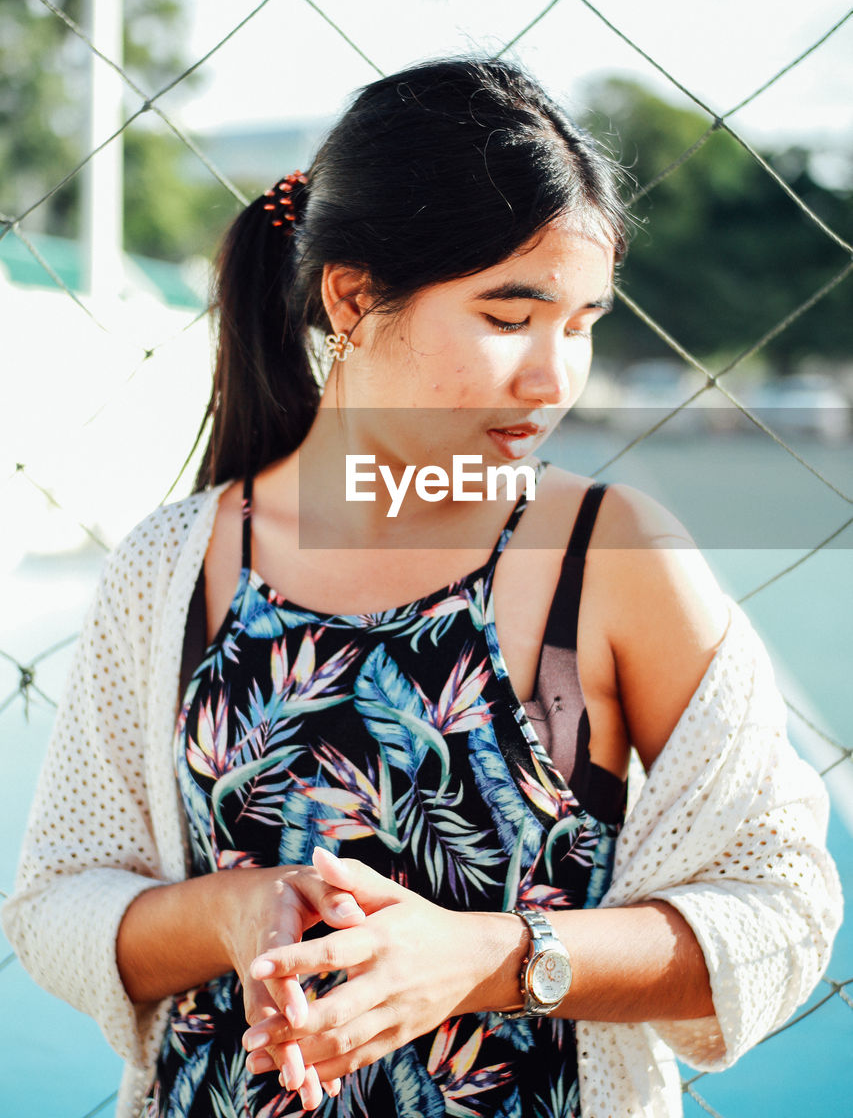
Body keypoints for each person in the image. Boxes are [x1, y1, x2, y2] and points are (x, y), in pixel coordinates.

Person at [3, 58, 841, 1118]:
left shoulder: (610, 555)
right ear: (352, 296)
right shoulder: (171, 566)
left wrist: (491, 956)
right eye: (508, 317)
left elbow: (782, 905)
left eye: (581, 322)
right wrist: (233, 913)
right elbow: (57, 899)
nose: (553, 377)